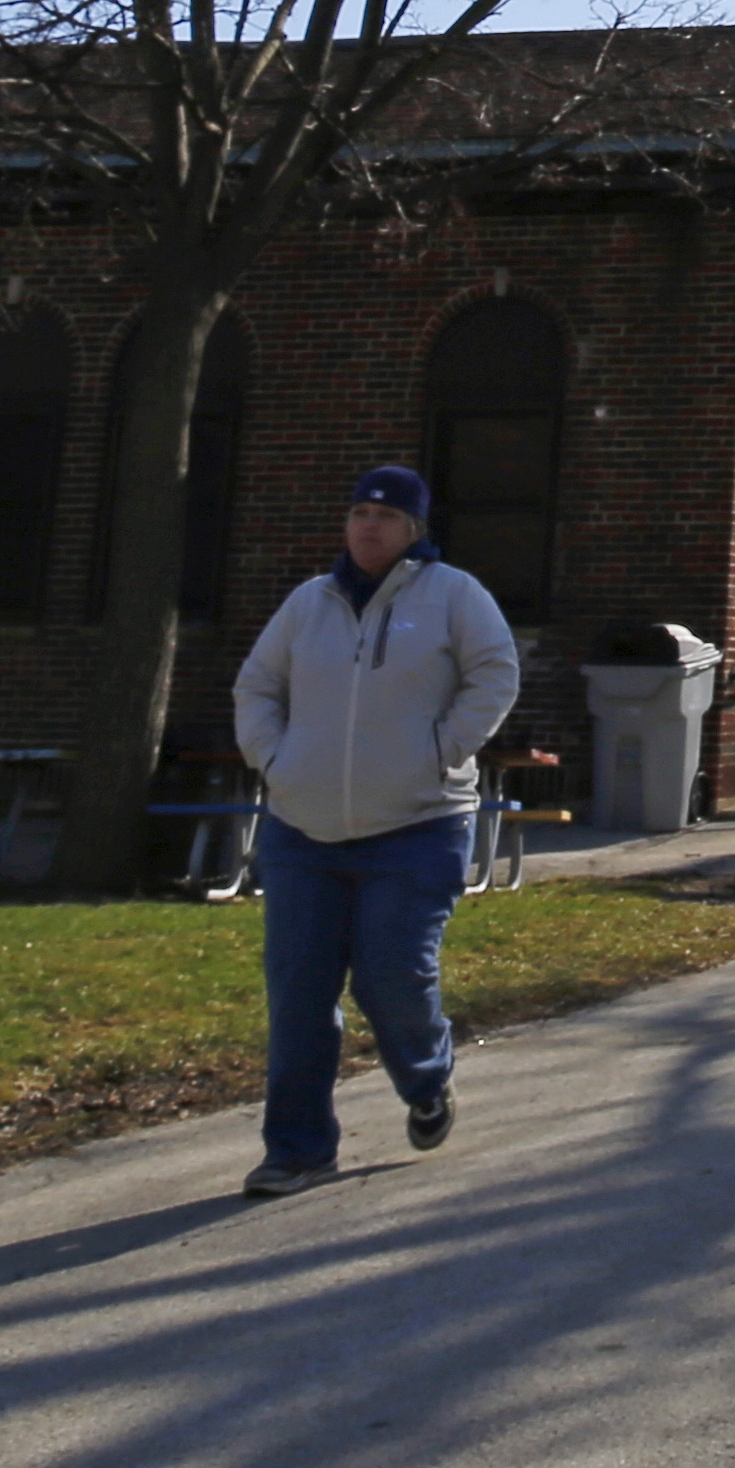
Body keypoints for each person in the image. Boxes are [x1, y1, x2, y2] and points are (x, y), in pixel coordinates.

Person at [230, 461, 522, 1199]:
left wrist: (441, 750)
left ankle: (427, 1079)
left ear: (414, 530)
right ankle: (297, 1150)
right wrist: (276, 759)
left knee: (392, 974)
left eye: (386, 516)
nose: (368, 526)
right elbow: (257, 685)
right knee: (298, 988)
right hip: (304, 826)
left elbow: (496, 672)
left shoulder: (454, 595)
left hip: (417, 824)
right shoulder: (309, 601)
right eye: (359, 511)